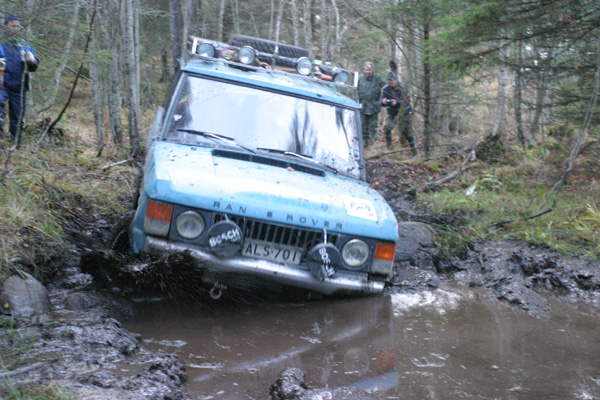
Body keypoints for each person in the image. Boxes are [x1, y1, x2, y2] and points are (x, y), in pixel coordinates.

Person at [0, 14, 39, 146]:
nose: (16, 28)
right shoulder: (0, 42)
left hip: (19, 85)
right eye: (13, 26)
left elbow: (33, 67)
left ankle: (15, 143)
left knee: (18, 115)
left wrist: (32, 60)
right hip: (1, 83)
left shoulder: (24, 45)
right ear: (5, 26)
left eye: (18, 26)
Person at [380, 70, 417, 155]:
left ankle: (415, 152)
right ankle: (389, 148)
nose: (390, 84)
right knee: (387, 127)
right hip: (392, 112)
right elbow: (381, 100)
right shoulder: (386, 88)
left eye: (391, 82)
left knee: (408, 133)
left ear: (396, 80)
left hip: (404, 112)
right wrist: (383, 101)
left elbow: (407, 101)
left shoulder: (403, 86)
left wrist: (397, 102)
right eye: (388, 82)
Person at [357, 61, 385, 148]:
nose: (367, 72)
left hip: (374, 107)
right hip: (363, 107)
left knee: (372, 128)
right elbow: (355, 91)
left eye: (369, 70)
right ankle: (363, 144)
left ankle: (372, 145)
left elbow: (386, 88)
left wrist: (382, 99)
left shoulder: (378, 78)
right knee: (363, 127)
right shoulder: (360, 79)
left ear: (372, 69)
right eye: (366, 70)